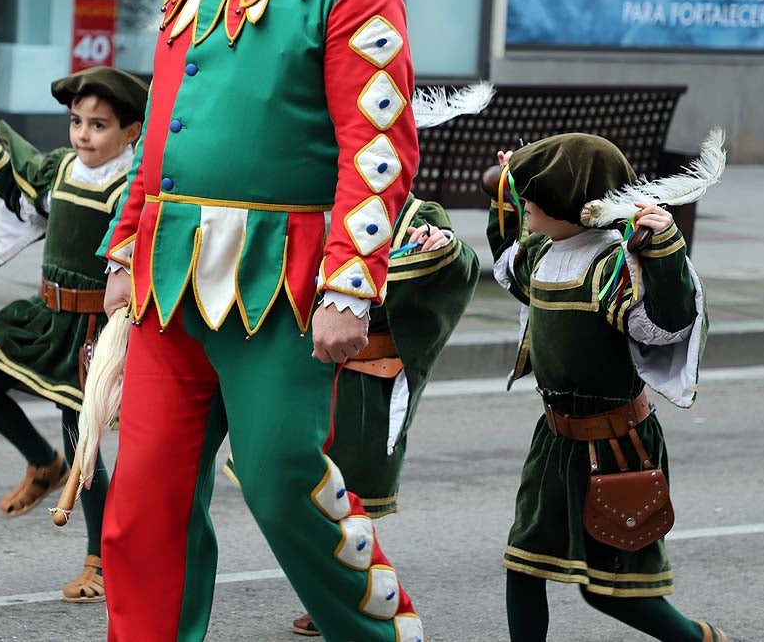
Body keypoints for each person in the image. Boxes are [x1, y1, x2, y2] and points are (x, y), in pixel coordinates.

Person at [97, 0, 424, 639]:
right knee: (142, 506)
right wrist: (128, 246)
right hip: (167, 282)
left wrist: (352, 285)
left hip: (280, 286)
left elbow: (378, 152)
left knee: (283, 483)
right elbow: (163, 130)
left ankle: (385, 636)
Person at [487, 133, 728, 642]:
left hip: (618, 448)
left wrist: (663, 249)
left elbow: (667, 324)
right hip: (554, 441)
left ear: (571, 204)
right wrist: (506, 191)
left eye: (532, 193)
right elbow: (507, 262)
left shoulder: (610, 266)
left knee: (608, 588)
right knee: (525, 563)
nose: (523, 200)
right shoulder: (541, 252)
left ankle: (699, 640)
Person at [225, 192, 480, 637]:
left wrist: (439, 247)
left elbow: (458, 267)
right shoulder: (312, 202)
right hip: (302, 366)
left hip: (365, 380)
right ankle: (338, 592)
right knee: (294, 481)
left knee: (348, 492)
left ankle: (355, 597)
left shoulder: (419, 215)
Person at [0, 65, 147, 604]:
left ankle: (101, 563)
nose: (83, 135)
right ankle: (42, 463)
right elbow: (25, 182)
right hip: (47, 315)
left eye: (99, 125)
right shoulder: (65, 168)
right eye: (76, 122)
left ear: (131, 132)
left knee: (83, 443)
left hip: (92, 332)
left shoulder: (131, 188)